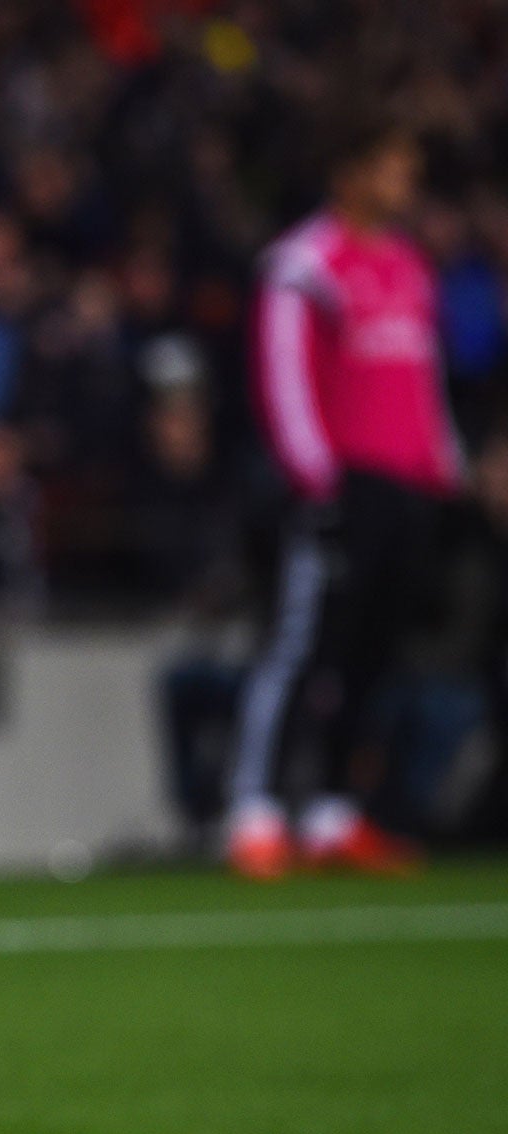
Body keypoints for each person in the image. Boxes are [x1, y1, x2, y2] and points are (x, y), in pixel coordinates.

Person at [226, 120, 466, 880]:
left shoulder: (408, 267)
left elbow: (422, 384)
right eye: (393, 169)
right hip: (339, 483)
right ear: (350, 173)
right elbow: (285, 380)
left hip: (405, 485)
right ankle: (255, 811)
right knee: (300, 645)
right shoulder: (304, 264)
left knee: (372, 652)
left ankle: (332, 811)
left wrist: (445, 468)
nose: (405, 186)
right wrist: (316, 479)